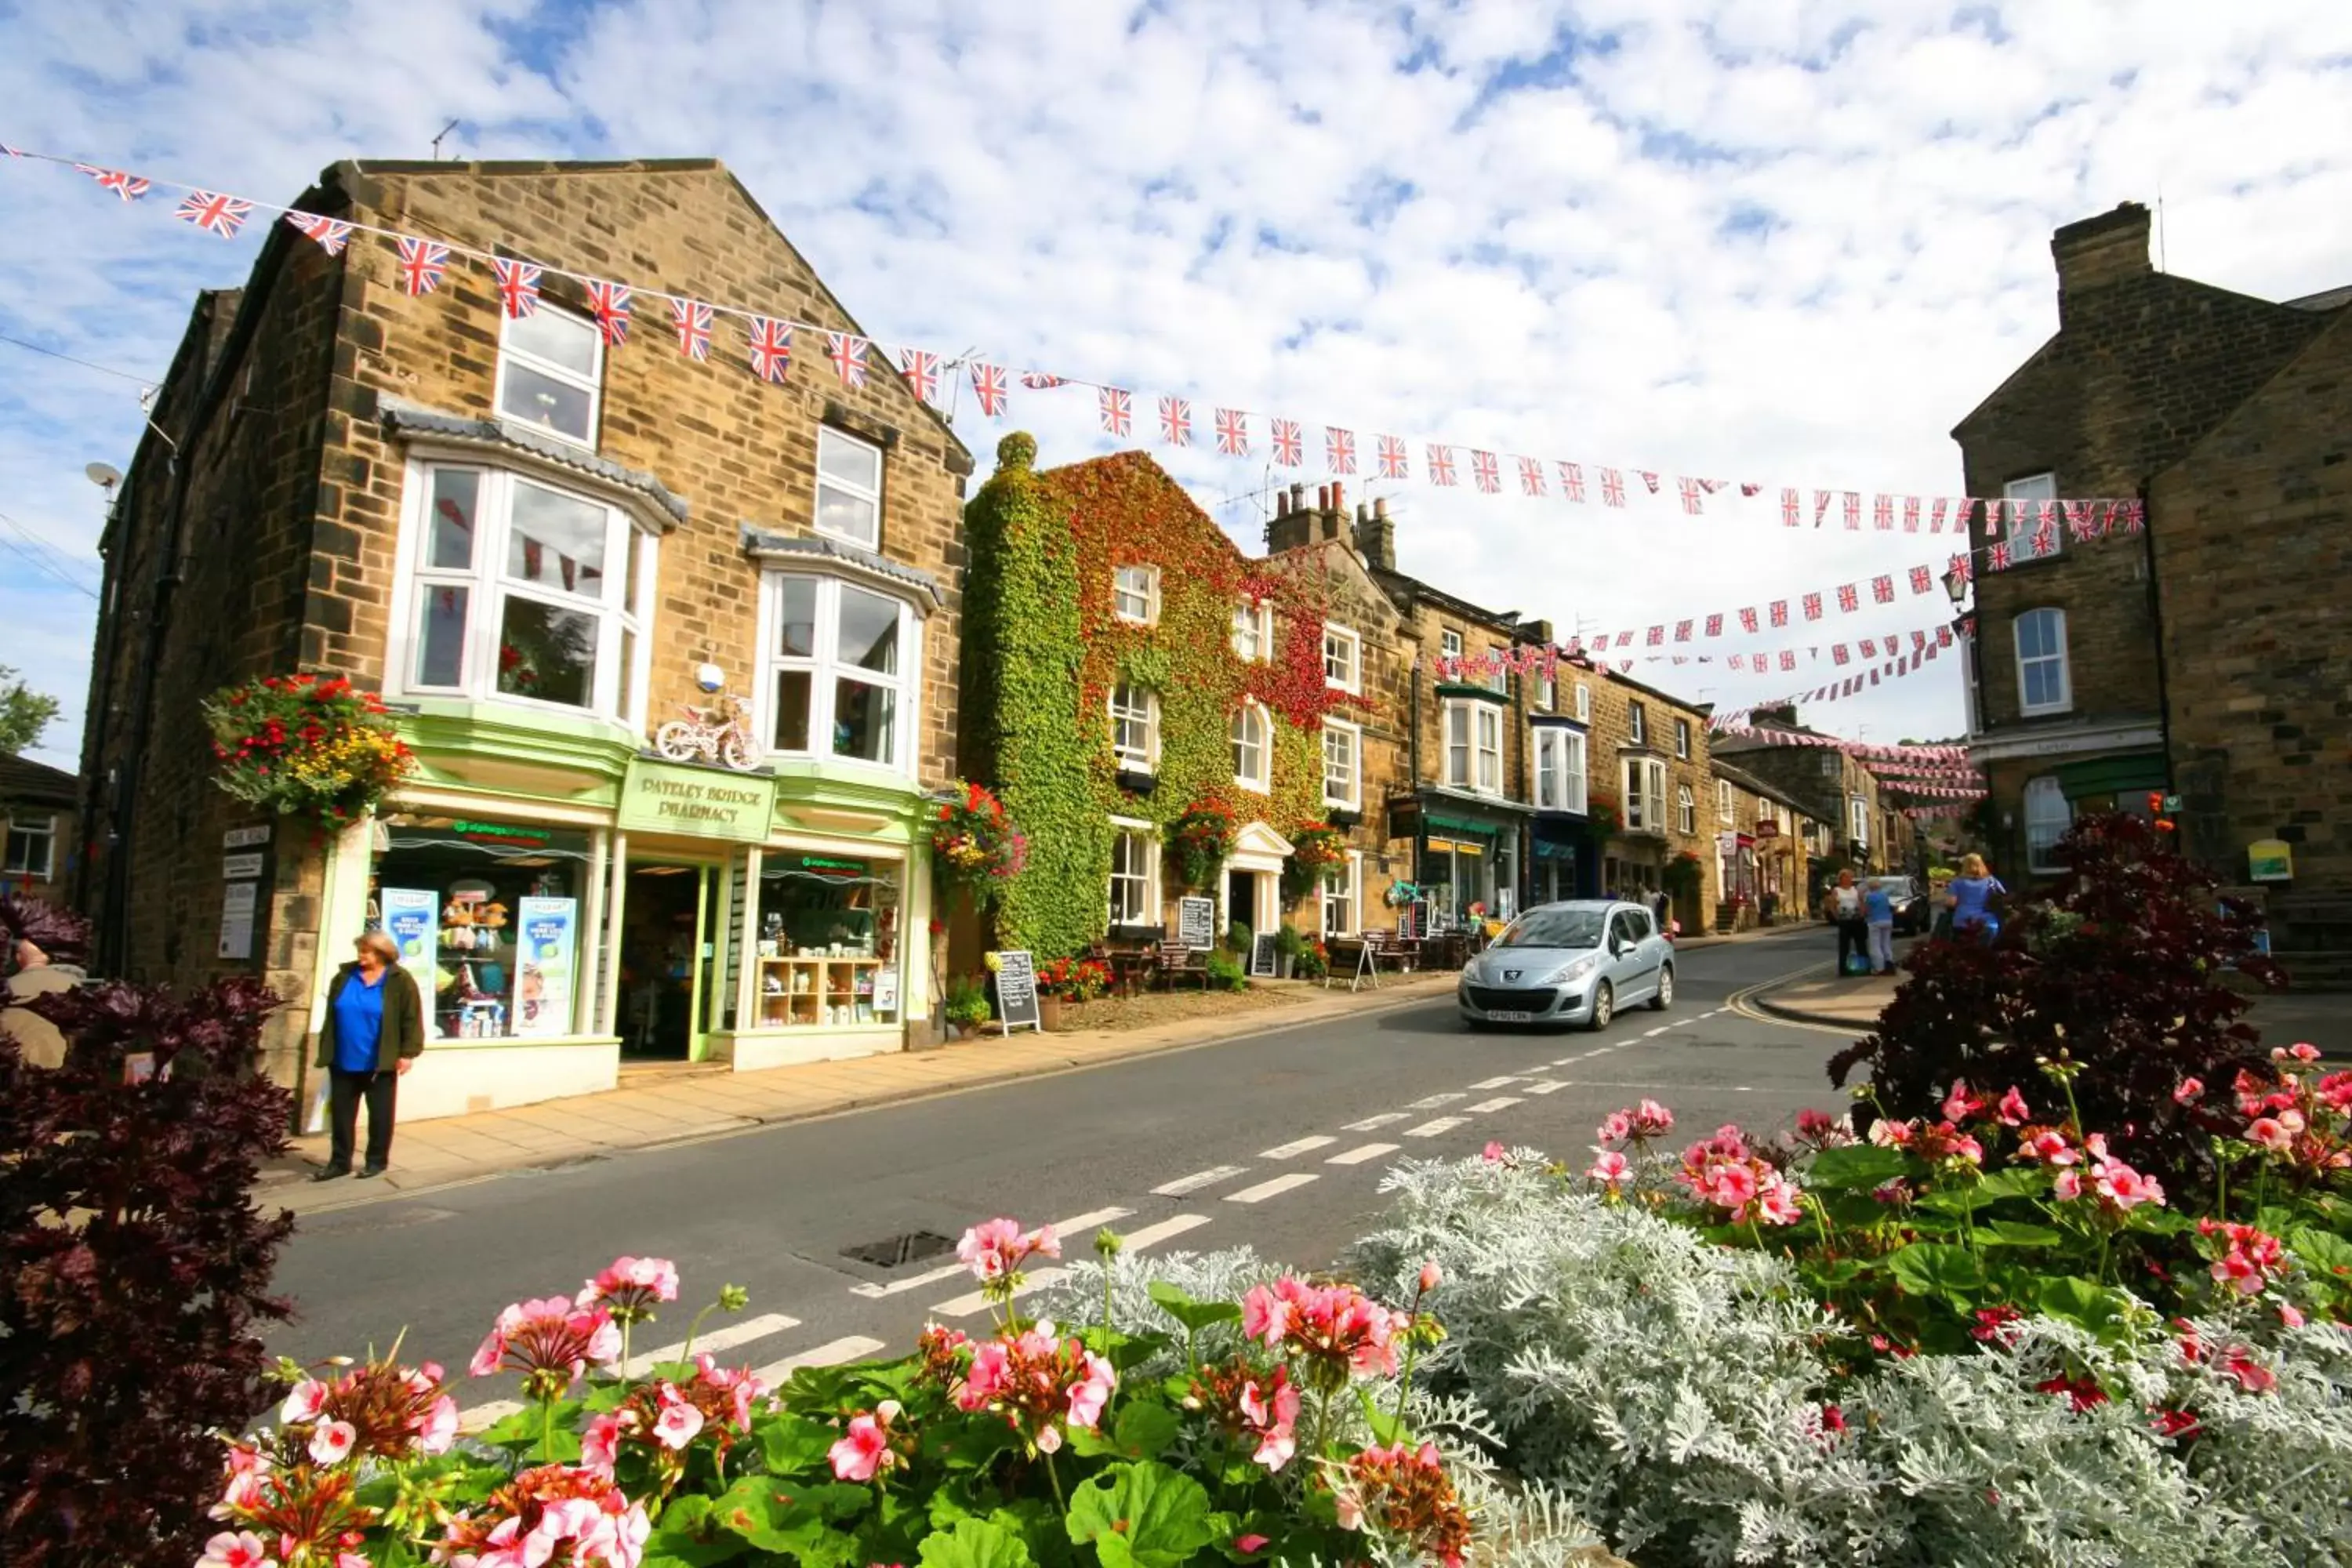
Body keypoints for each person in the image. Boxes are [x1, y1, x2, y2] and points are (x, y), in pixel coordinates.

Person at [313, 930, 426, 1181]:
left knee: (380, 1116)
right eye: (360, 950)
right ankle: (339, 1162)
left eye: (366, 951)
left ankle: (376, 1161)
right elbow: (331, 1015)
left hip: (379, 1061)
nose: (360, 955)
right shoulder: (344, 977)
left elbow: (411, 1017)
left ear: (382, 954)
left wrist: (407, 1053)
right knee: (341, 1116)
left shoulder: (399, 980)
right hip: (343, 1058)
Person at [2, 936, 88, 1070]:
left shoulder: (7, 989)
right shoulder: (72, 986)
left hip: (15, 1072)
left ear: (19, 958)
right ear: (46, 956)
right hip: (62, 1070)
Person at [1944, 853, 2007, 943]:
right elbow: (2003, 894)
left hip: (1963, 921)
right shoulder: (1991, 880)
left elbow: (1951, 903)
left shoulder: (1957, 882)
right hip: (1987, 923)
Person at [1824, 869, 1866, 976]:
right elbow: (1832, 906)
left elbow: (1861, 902)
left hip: (1857, 920)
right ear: (1841, 879)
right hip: (1844, 921)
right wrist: (1837, 917)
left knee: (1861, 946)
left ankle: (1864, 968)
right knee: (1844, 947)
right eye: (1846, 877)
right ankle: (1844, 970)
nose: (1848, 879)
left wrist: (1862, 914)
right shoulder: (1836, 890)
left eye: (1850, 877)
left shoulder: (1855, 890)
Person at [1862, 878, 1897, 975]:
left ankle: (1879, 967)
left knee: (1875, 945)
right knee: (1886, 943)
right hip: (1888, 920)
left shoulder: (1869, 897)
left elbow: (1866, 910)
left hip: (1875, 921)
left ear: (1870, 887)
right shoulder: (1884, 895)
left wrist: (1863, 914)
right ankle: (1889, 963)